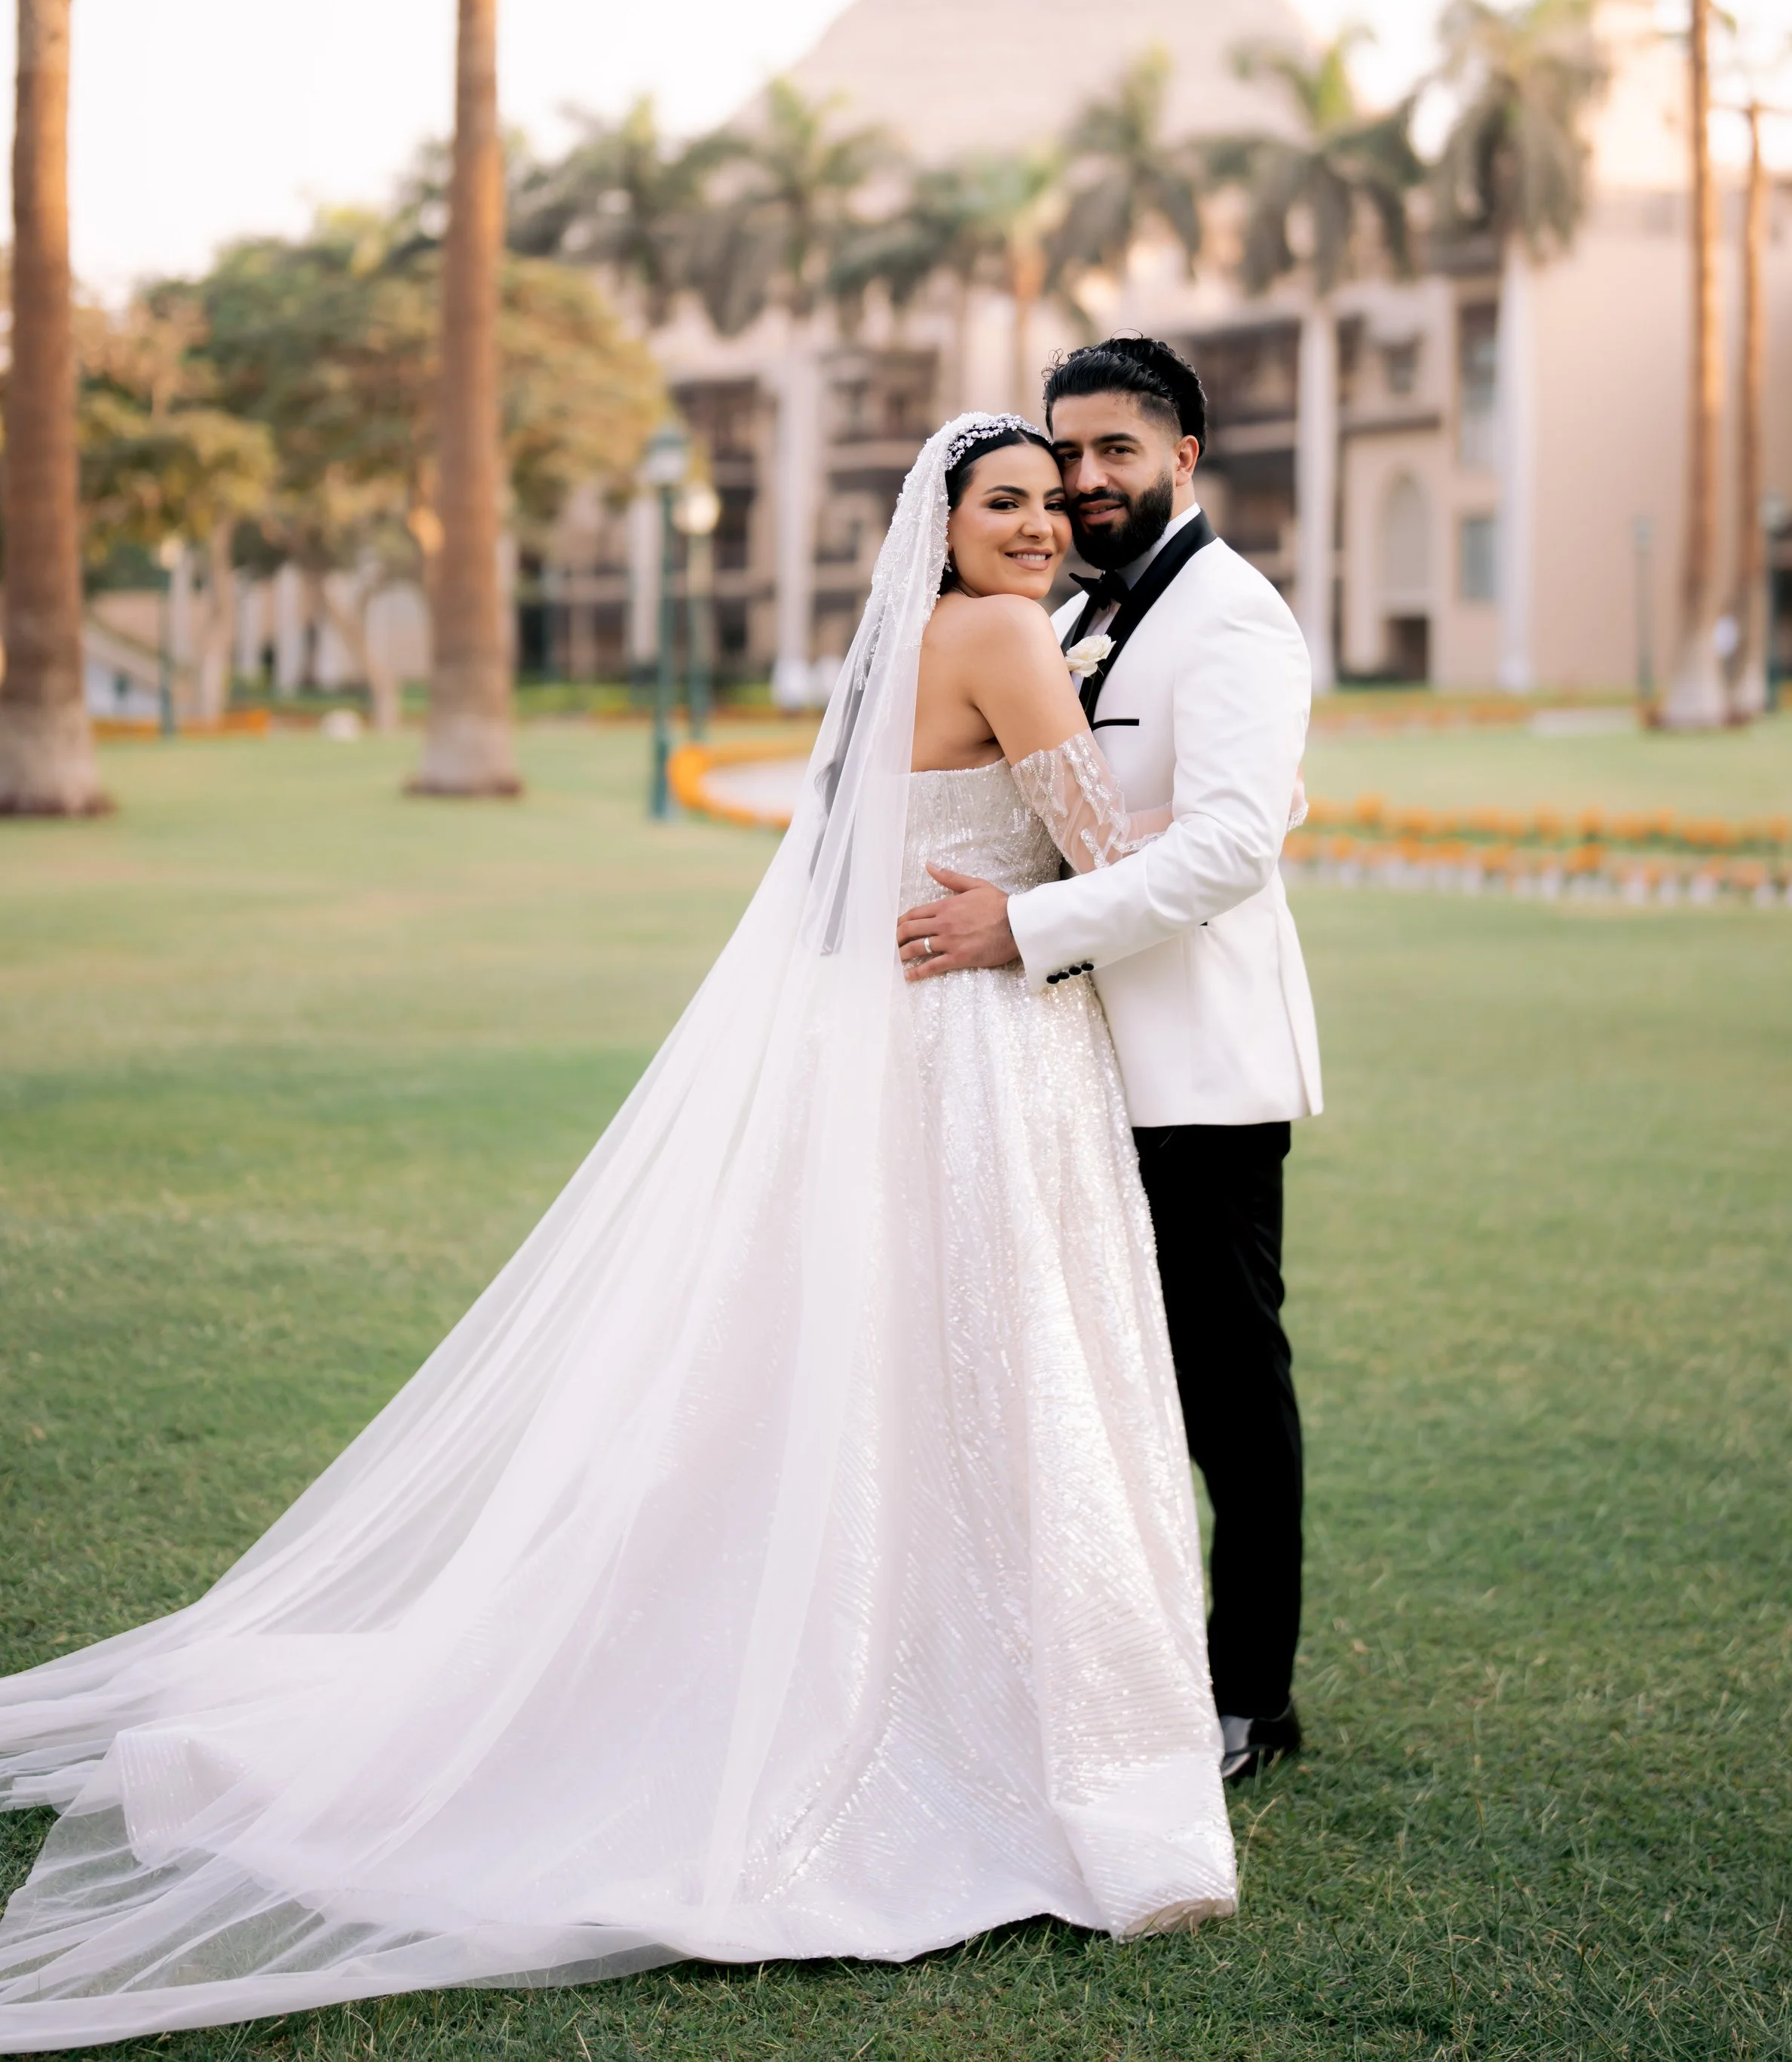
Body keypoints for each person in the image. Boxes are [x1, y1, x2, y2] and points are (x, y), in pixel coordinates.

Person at [0, 413, 1233, 2055]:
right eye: (997, 504)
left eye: (1042, 504)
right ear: (937, 527)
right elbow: (1095, 856)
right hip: (983, 1058)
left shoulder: (898, 650)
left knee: (898, 1376)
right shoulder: (1006, 635)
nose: (1032, 527)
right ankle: (1015, 1735)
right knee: (1005, 1371)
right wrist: (1239, 812)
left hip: (898, 1041)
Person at [899, 338, 1320, 1780]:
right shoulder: (1064, 613)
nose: (1081, 485)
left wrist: (1022, 923)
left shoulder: (1233, 621)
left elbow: (1220, 848)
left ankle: (1249, 1692)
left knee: (1223, 1387)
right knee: (1093, 1384)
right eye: (1063, 457)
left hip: (1189, 1067)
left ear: (1183, 457)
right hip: (1058, 1072)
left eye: (1112, 455)